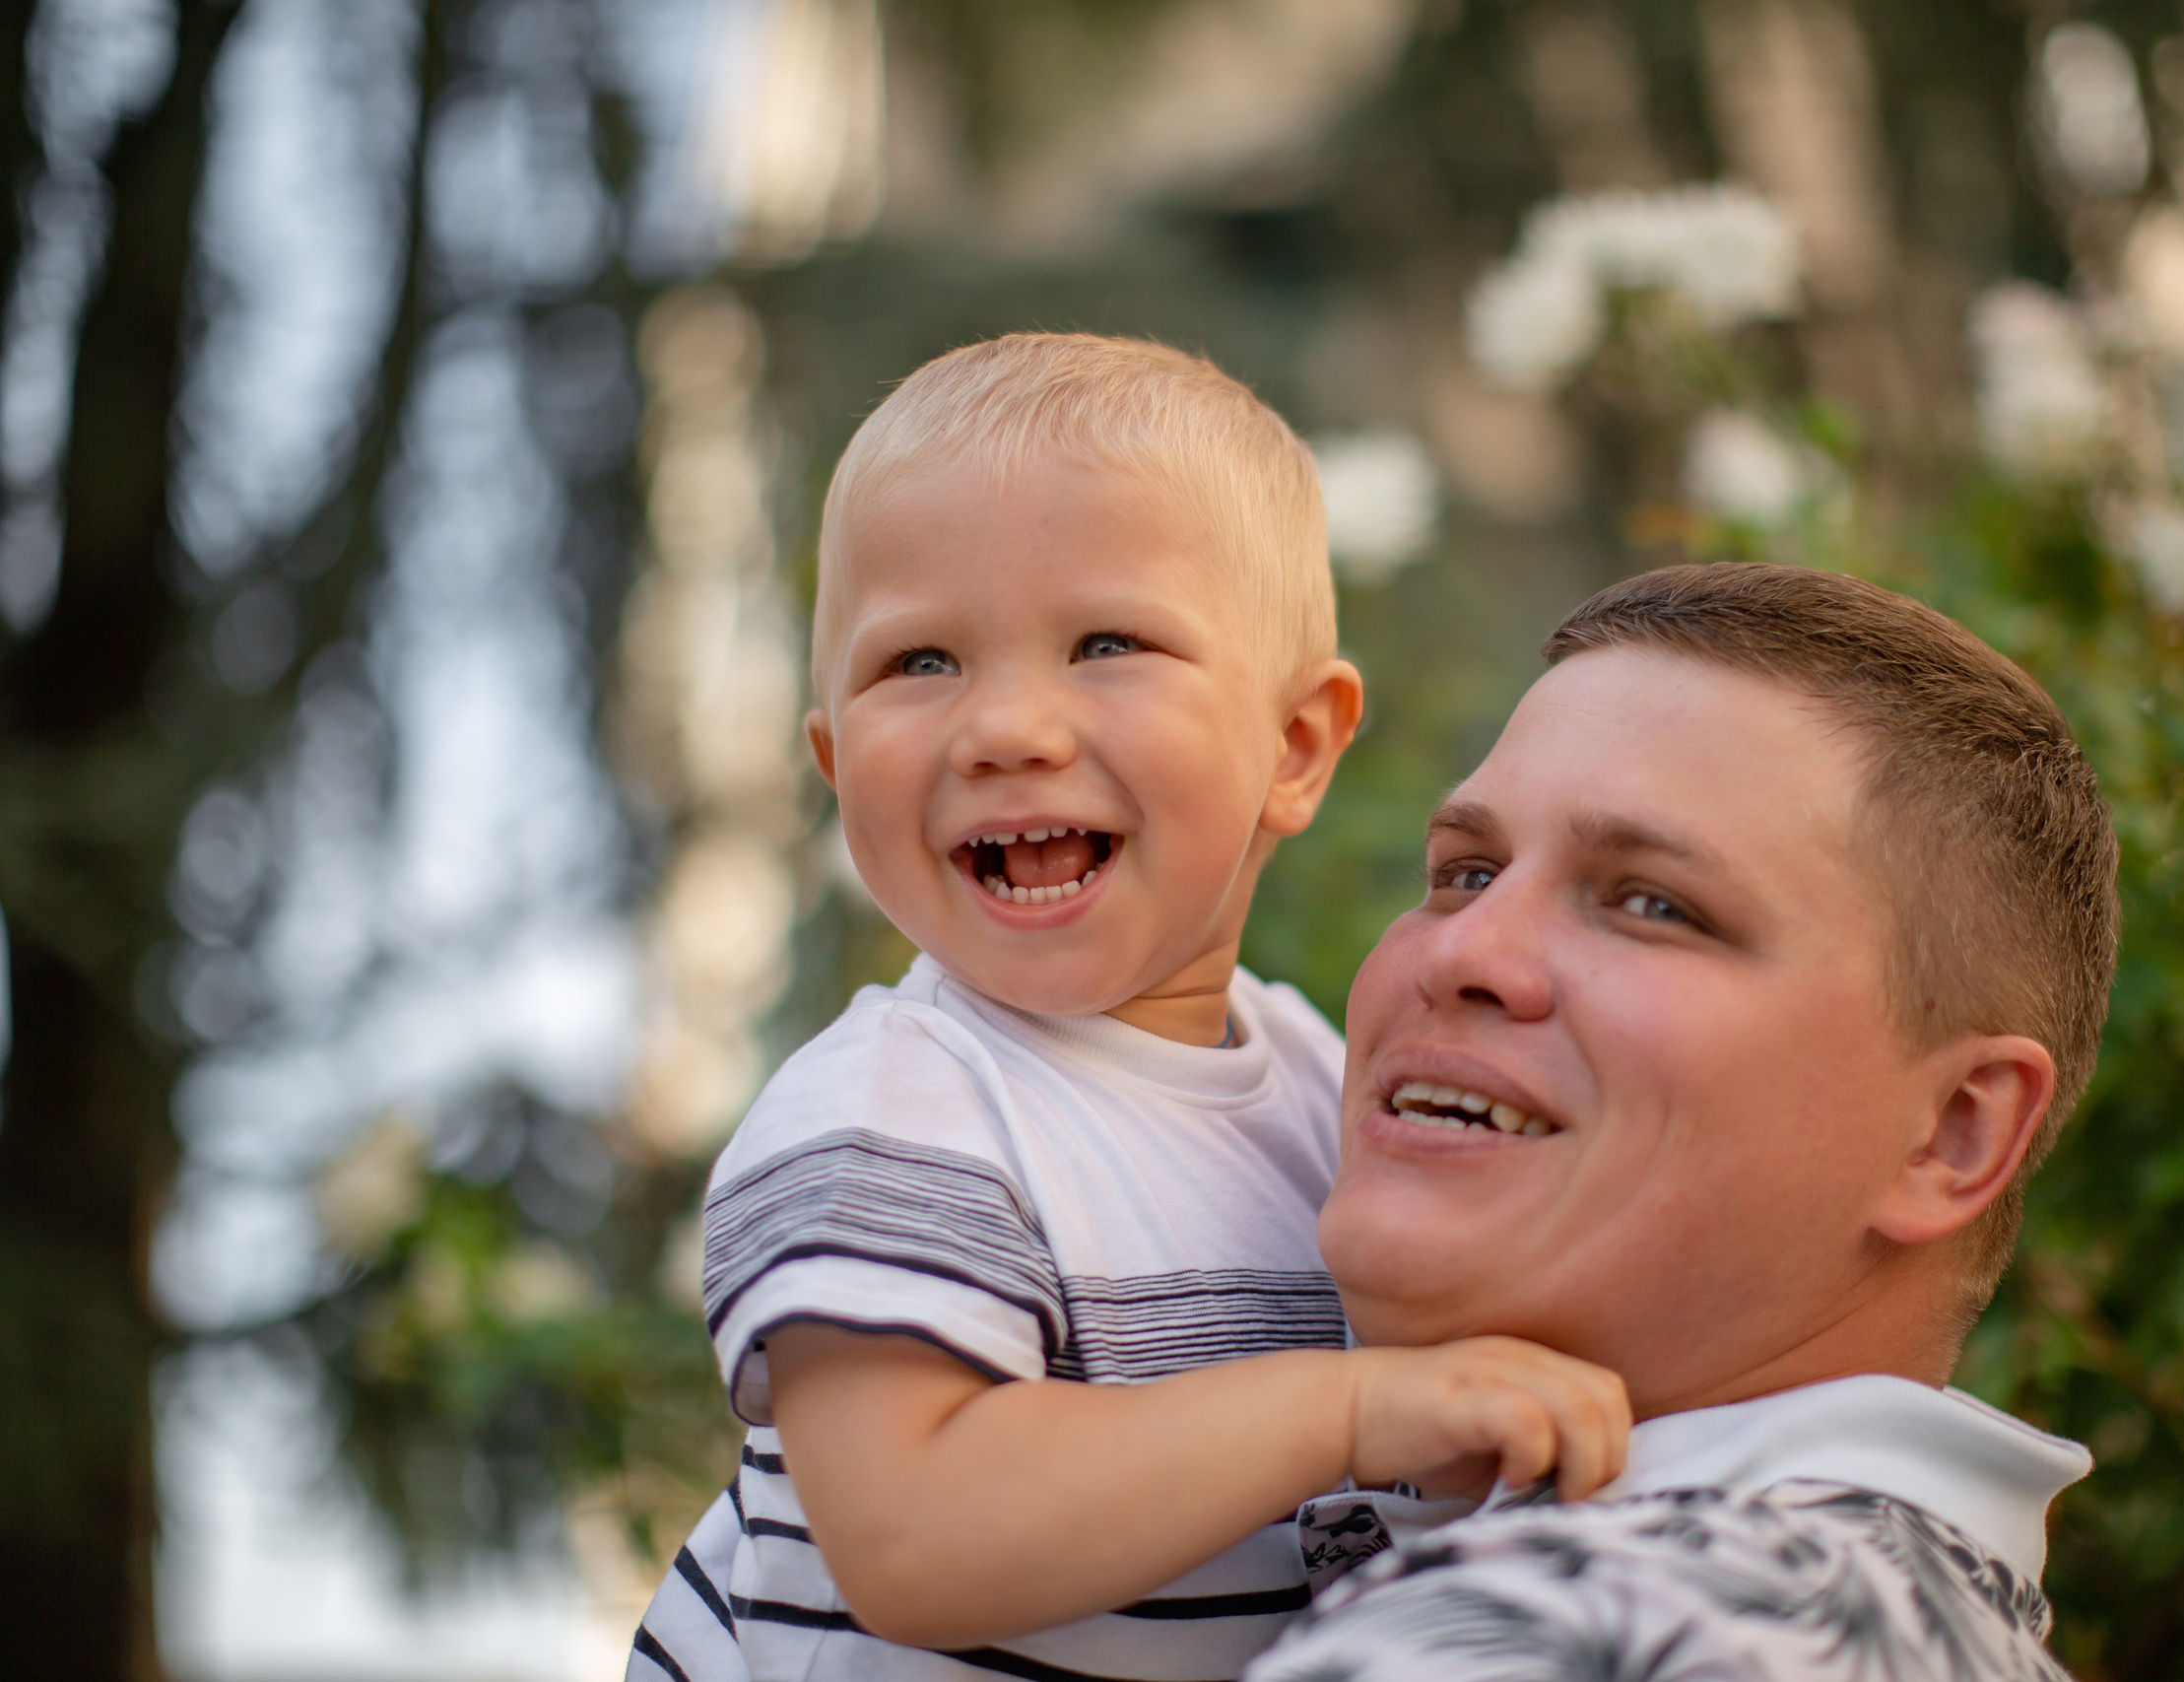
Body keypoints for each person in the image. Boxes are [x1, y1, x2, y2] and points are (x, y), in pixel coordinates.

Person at [629, 334, 1632, 1682]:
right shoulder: (890, 1107)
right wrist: (1350, 1407)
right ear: (831, 761)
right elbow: (916, 1536)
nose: (1007, 727)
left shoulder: (1316, 1076)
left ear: (1295, 747)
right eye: (918, 661)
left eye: (1106, 642)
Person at [1248, 563, 2117, 1680]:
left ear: (1949, 1132)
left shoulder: (1572, 1635)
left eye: (1652, 903)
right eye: (1466, 872)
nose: (1465, 951)